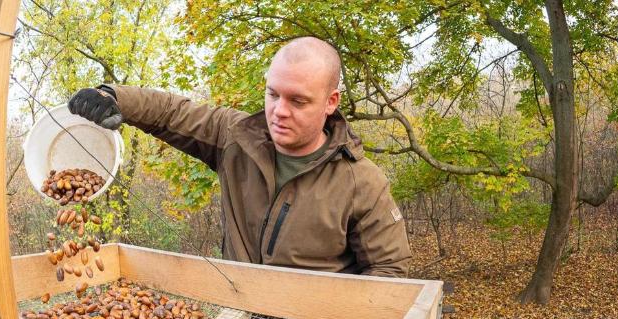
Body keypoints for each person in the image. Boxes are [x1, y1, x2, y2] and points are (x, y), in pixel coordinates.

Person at [68, 36, 411, 277]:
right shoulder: (237, 138)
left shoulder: (362, 182)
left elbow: (389, 270)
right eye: (273, 94)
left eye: (298, 101)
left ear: (330, 102)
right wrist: (113, 97)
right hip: (238, 318)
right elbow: (172, 112)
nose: (279, 111)